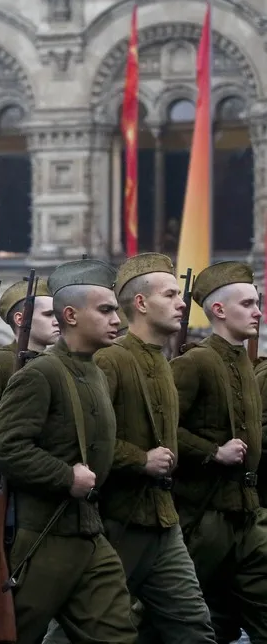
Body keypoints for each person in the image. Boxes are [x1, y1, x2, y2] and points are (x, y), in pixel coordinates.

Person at [40, 253, 215, 643]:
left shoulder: (163, 362)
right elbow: (80, 441)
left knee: (193, 628)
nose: (181, 302)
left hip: (161, 522)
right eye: (169, 294)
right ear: (140, 303)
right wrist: (140, 460)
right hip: (115, 520)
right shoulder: (110, 360)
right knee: (86, 629)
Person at [0, 259, 136, 644]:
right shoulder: (40, 373)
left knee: (117, 634)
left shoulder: (93, 371)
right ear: (70, 315)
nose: (118, 319)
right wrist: (66, 476)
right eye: (106, 310)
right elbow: (3, 446)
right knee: (9, 635)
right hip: (41, 536)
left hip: (88, 532)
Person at [169, 261, 267, 642]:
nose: (258, 311)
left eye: (257, 303)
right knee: (179, 618)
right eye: (248, 304)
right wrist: (212, 452)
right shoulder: (195, 362)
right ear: (219, 310)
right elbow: (161, 432)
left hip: (246, 512)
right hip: (204, 518)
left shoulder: (244, 363)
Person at [0, 279, 56, 546]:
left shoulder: (54, 365)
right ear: (20, 318)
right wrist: (10, 456)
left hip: (43, 491)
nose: (57, 321)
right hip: (3, 495)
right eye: (48, 314)